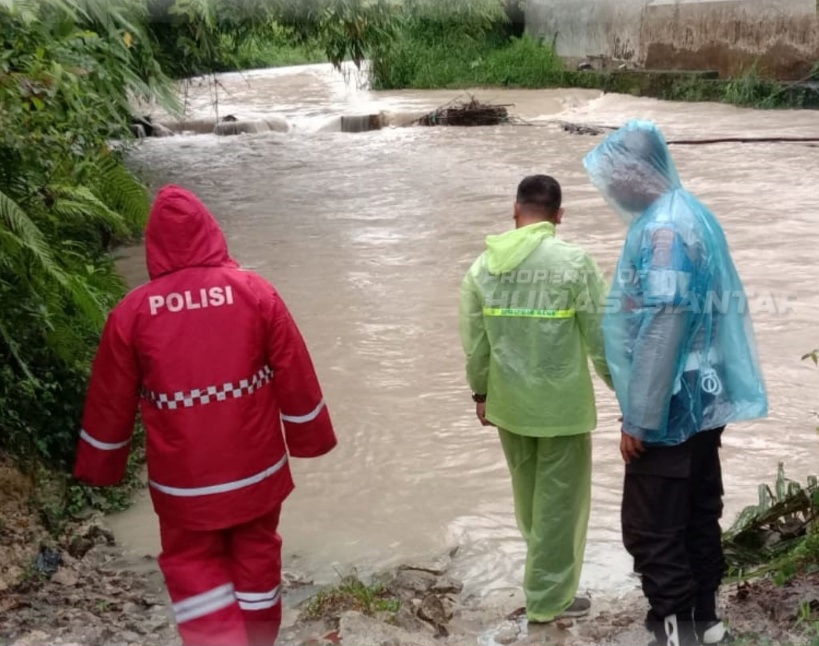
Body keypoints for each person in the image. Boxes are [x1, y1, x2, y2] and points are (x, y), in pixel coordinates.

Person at [73, 185, 337, 646]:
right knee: (257, 554)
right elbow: (295, 373)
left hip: (182, 484)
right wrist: (309, 436)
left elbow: (109, 401)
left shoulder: (132, 313)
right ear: (211, 234)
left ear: (155, 246)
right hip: (257, 473)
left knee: (191, 564)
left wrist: (102, 465)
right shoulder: (256, 293)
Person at [583, 121, 769, 646]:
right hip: (705, 394)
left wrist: (639, 417)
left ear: (636, 173)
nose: (611, 189)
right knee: (696, 510)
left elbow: (664, 321)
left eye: (614, 176)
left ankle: (676, 626)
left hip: (671, 402)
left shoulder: (663, 230)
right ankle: (704, 620)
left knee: (652, 525)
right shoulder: (693, 213)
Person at [458, 175, 613, 624]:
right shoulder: (574, 263)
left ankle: (542, 582)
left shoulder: (482, 267)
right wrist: (628, 396)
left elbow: (475, 343)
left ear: (515, 209)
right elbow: (601, 339)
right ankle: (549, 601)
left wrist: (481, 393)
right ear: (558, 215)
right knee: (561, 505)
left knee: (528, 500)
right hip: (562, 409)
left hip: (509, 406)